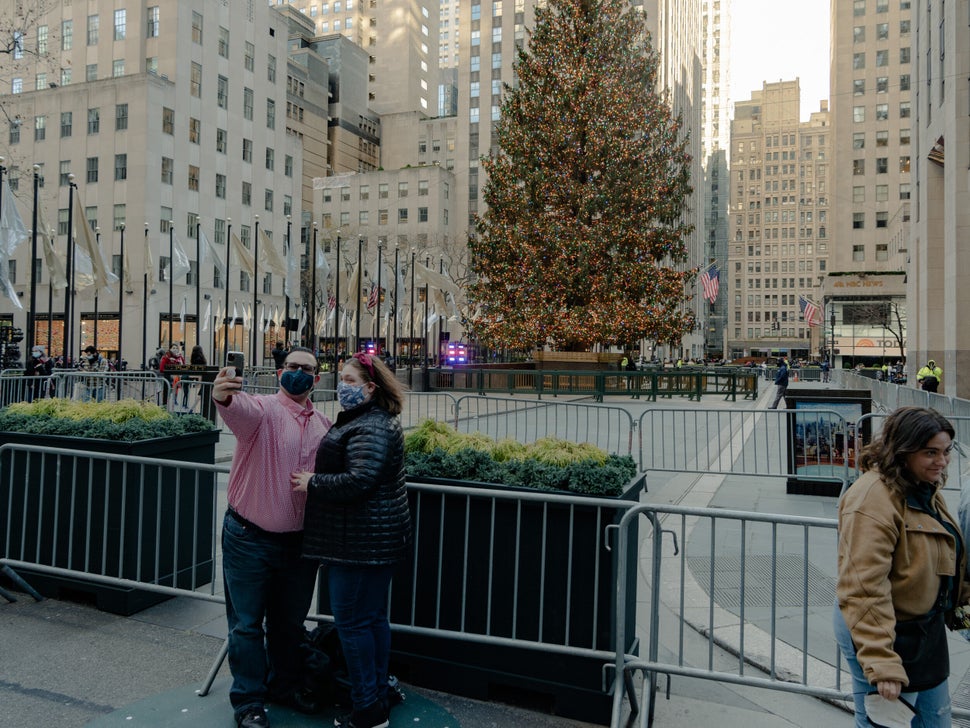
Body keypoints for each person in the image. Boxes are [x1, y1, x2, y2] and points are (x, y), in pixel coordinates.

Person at [211, 346, 332, 728]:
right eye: (293, 367)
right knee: (246, 624)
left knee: (288, 624)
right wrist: (222, 394)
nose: (299, 373)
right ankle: (248, 700)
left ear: (316, 377)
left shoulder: (324, 426)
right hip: (249, 538)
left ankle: (284, 686)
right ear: (281, 372)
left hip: (299, 546)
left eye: (307, 369)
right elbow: (235, 407)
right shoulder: (262, 411)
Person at [291, 352, 411, 728]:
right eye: (340, 377)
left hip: (359, 545)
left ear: (370, 388)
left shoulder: (371, 425)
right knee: (371, 620)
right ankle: (375, 695)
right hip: (369, 541)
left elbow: (360, 480)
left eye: (349, 379)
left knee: (355, 624)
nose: (341, 385)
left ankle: (368, 709)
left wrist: (314, 482)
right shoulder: (371, 419)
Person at [834, 407, 969, 727]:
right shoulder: (872, 498)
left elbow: (945, 554)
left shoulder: (922, 487)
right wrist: (882, 662)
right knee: (888, 722)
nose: (942, 461)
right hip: (883, 632)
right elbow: (863, 586)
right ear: (903, 451)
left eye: (946, 451)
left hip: (924, 630)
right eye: (930, 452)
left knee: (935, 719)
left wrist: (961, 604)